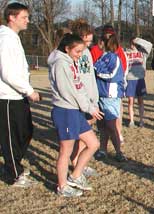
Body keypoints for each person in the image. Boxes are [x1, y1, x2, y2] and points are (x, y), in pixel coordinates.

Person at [48, 34, 103, 197]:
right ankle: (62, 186)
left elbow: (79, 87)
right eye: (78, 51)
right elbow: (68, 91)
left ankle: (76, 176)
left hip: (75, 111)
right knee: (66, 151)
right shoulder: (60, 63)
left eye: (82, 51)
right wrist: (88, 107)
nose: (80, 55)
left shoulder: (70, 62)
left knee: (93, 143)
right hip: (65, 111)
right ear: (67, 48)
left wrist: (90, 104)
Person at [0, 2, 41, 187]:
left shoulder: (13, 37)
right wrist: (29, 90)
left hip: (18, 96)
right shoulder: (5, 38)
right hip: (7, 97)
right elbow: (7, 72)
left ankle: (12, 164)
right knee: (11, 137)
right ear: (12, 17)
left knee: (26, 132)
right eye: (24, 17)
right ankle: (13, 174)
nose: (28, 20)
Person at [69, 18, 99, 177]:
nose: (91, 38)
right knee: (83, 135)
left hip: (91, 100)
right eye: (88, 35)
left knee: (86, 133)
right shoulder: (74, 52)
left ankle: (80, 161)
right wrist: (85, 101)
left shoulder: (87, 52)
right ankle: (75, 164)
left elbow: (90, 77)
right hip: (81, 102)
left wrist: (95, 99)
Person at [94, 34, 127, 161]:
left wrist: (96, 71)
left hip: (110, 96)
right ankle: (103, 150)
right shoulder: (101, 57)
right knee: (102, 126)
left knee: (111, 125)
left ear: (103, 42)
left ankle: (119, 152)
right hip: (101, 96)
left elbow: (112, 75)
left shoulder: (114, 58)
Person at [125, 37, 153, 127]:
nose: (133, 45)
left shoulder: (142, 53)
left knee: (140, 101)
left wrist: (137, 40)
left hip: (140, 79)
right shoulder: (126, 52)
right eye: (131, 43)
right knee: (130, 101)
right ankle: (131, 121)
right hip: (130, 79)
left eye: (134, 43)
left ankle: (141, 120)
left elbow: (150, 45)